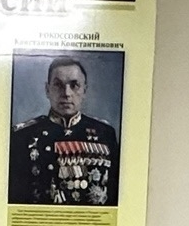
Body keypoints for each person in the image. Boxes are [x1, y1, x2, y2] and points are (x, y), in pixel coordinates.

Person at [7, 56, 120, 206]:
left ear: (84, 91)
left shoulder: (105, 134)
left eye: (74, 85)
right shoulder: (22, 136)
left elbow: (114, 196)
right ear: (47, 90)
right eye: (58, 85)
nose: (66, 93)